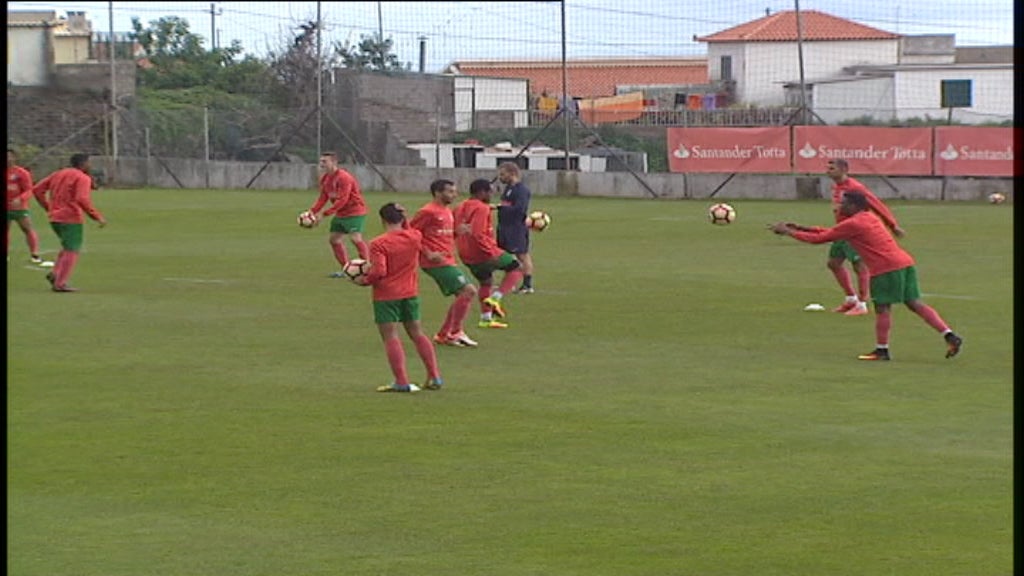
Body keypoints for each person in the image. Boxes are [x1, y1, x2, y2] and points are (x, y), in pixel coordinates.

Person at [769, 191, 962, 361]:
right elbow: (832, 232)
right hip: (904, 263)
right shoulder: (869, 217)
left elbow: (820, 239)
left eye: (844, 203)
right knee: (915, 303)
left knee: (882, 308)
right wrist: (800, 227)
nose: (840, 206)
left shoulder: (854, 223)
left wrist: (789, 233)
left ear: (854, 205)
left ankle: (882, 350)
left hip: (885, 268)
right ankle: (949, 335)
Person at [354, 202, 443, 393]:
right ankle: (434, 376)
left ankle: (401, 381)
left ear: (382, 219)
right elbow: (409, 230)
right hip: (410, 293)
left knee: (390, 336)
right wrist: (405, 219)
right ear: (402, 218)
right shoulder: (415, 236)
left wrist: (364, 281)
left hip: (386, 295)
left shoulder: (379, 243)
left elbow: (379, 271)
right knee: (417, 333)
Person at [824, 158, 905, 316]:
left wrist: (892, 225)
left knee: (859, 266)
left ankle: (862, 304)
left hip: (856, 231)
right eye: (827, 168)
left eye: (832, 168)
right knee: (833, 263)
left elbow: (875, 204)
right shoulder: (836, 187)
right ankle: (851, 299)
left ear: (844, 169)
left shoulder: (855, 188)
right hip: (841, 231)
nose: (828, 171)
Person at [408, 179, 480, 347]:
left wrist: (457, 232)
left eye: (455, 191)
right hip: (435, 262)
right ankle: (454, 332)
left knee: (463, 294)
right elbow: (410, 234)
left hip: (447, 259)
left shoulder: (447, 211)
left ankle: (444, 334)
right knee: (468, 291)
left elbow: (440, 235)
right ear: (438, 193)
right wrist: (428, 253)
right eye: (450, 191)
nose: (454, 195)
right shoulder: (428, 212)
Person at [453, 179, 524, 329]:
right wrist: (491, 251)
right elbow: (477, 233)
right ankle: (496, 298)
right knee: (517, 268)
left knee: (486, 282)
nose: (492, 194)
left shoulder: (460, 207)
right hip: (483, 252)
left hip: (466, 254)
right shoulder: (481, 208)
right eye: (490, 192)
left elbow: (456, 227)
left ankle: (486, 318)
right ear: (481, 192)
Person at [31, 153, 107, 292]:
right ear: (84, 164)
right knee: (72, 250)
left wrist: (48, 207)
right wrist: (96, 216)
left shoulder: (59, 173)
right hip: (70, 218)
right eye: (89, 162)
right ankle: (60, 283)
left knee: (67, 247)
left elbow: (37, 190)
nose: (90, 165)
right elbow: (81, 199)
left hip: (55, 218)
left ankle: (55, 273)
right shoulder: (82, 177)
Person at [306, 152, 369, 277]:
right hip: (341, 213)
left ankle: (368, 268)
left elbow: (343, 200)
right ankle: (346, 270)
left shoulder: (344, 178)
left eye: (325, 161)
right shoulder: (325, 179)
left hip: (355, 211)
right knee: (334, 240)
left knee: (355, 239)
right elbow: (323, 198)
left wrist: (324, 214)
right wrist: (311, 212)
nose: (322, 164)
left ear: (334, 162)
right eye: (321, 161)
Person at [495, 161, 535, 293]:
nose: (500, 177)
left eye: (503, 174)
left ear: (512, 174)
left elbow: (520, 209)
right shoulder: (508, 188)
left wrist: (501, 208)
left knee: (522, 255)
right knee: (505, 256)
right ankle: (510, 282)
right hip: (504, 227)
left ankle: (527, 285)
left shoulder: (521, 190)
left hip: (516, 228)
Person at [6, 149, 48, 264]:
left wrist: (20, 199)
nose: (8, 159)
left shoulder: (22, 173)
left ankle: (35, 254)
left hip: (19, 208)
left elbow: (29, 190)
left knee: (27, 229)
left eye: (9, 156)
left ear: (14, 158)